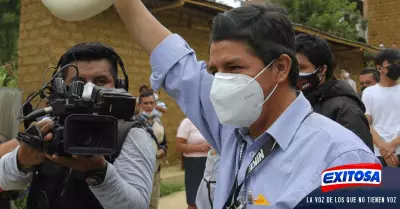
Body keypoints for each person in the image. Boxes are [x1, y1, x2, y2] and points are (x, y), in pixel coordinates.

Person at [114, 2, 379, 208]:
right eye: (215, 71)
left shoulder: (342, 159)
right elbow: (176, 64)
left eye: (234, 68)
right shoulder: (232, 129)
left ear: (280, 68)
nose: (220, 82)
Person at [0, 43, 156, 209]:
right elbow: (4, 180)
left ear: (119, 86)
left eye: (101, 81)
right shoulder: (50, 125)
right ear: (59, 87)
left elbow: (137, 206)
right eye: (77, 82)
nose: (89, 90)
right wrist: (20, 160)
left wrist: (99, 172)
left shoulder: (131, 135)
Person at [295, 34, 374, 152]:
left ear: (322, 70)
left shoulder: (345, 110)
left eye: (301, 68)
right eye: (292, 68)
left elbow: (360, 161)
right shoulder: (300, 103)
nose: (294, 74)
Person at [362, 49, 400, 167]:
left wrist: (393, 144)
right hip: (378, 153)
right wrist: (384, 148)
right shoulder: (369, 92)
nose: (397, 67)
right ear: (379, 68)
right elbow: (365, 123)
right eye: (393, 63)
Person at [136, 91, 168, 209]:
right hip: (138, 171)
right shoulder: (134, 122)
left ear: (155, 104)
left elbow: (164, 143)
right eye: (145, 103)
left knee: (153, 203)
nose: (149, 106)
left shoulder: (158, 122)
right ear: (139, 105)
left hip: (155, 170)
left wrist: (162, 151)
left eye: (151, 103)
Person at [176, 118, 211, 209]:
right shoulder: (188, 122)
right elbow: (179, 146)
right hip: (194, 165)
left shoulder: (214, 120)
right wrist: (199, 148)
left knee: (211, 199)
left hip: (213, 163)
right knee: (194, 202)